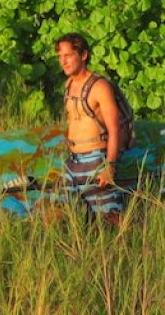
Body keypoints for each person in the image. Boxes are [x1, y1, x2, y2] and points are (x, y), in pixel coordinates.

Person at [56, 33, 125, 224]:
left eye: (68, 55)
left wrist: (109, 166)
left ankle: (129, 248)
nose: (63, 61)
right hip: (72, 161)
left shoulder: (100, 86)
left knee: (111, 218)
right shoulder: (69, 84)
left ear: (83, 55)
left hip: (95, 159)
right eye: (60, 57)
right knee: (62, 215)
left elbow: (114, 128)